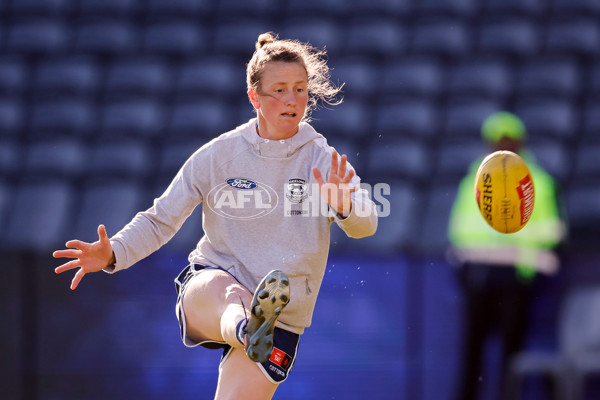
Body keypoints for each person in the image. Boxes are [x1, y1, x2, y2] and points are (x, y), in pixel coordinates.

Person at [53, 32, 378, 400]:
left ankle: (255, 329)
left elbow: (367, 224)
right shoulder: (219, 155)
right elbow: (161, 219)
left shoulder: (321, 158)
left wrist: (345, 205)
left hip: (282, 320)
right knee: (230, 295)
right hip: (212, 288)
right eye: (281, 90)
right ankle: (246, 328)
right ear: (254, 96)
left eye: (301, 89)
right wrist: (114, 252)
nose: (293, 100)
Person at [447, 111, 568, 400]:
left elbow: (552, 230)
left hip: (516, 277)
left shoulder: (539, 181)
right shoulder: (473, 179)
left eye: (508, 140)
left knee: (512, 355)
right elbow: (459, 228)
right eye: (497, 140)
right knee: (471, 352)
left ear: (520, 142)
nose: (503, 145)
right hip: (478, 275)